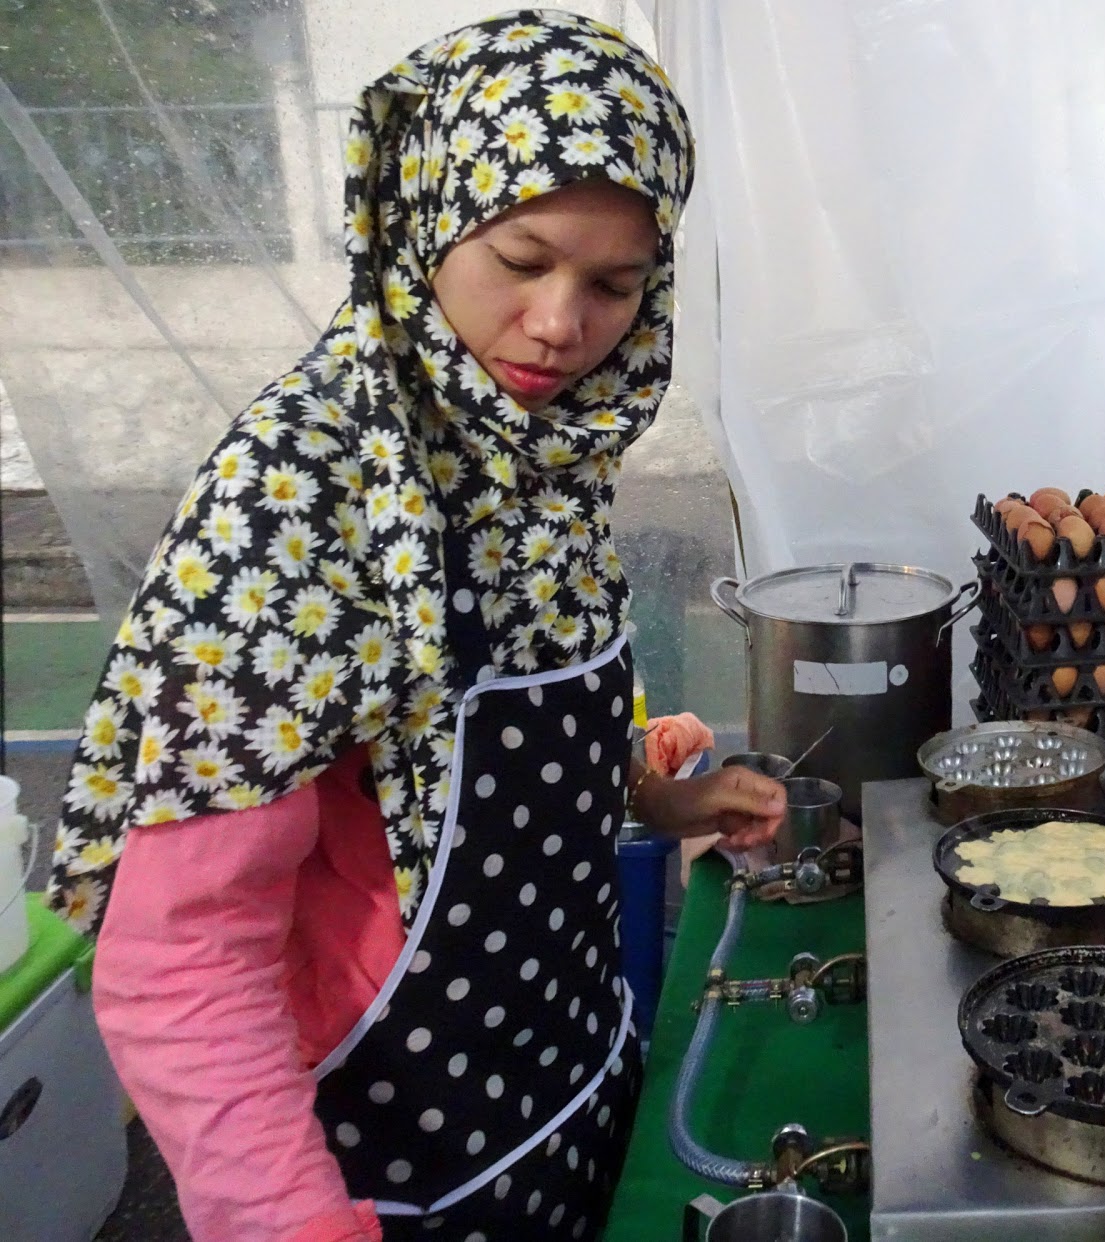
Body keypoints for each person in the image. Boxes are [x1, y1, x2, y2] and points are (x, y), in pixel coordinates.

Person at [47, 11, 784, 1241]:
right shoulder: (302, 492)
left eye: (613, 285)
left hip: (568, 1077)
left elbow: (459, 761)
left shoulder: (537, 449)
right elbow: (177, 964)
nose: (562, 326)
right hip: (375, 1160)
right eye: (521, 258)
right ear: (425, 219)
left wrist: (653, 802)